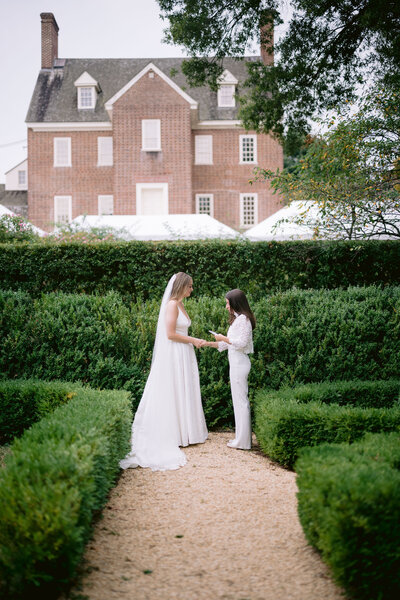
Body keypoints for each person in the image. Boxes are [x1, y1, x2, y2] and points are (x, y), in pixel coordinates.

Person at [119, 273, 208, 471]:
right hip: (175, 353)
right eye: (190, 286)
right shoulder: (172, 305)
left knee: (185, 388)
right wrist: (193, 340)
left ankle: (187, 432)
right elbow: (170, 334)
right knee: (175, 389)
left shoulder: (181, 303)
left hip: (185, 352)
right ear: (181, 286)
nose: (192, 290)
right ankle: (175, 433)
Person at [205, 289, 255, 450]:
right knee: (238, 402)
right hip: (236, 363)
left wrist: (222, 337)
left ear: (235, 303)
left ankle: (243, 442)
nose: (226, 307)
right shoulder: (238, 320)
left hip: (240, 364)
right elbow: (227, 345)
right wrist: (207, 343)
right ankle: (241, 439)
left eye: (227, 303)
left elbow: (240, 343)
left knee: (241, 402)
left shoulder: (244, 320)